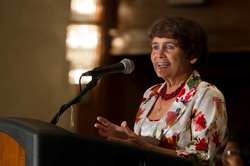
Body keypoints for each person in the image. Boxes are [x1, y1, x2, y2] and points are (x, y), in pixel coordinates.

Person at [94, 16, 228, 166]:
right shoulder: (150, 94)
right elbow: (144, 149)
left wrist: (146, 148)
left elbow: (202, 156)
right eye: (155, 46)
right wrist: (127, 140)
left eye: (169, 46)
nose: (159, 54)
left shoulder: (207, 94)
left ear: (193, 55)